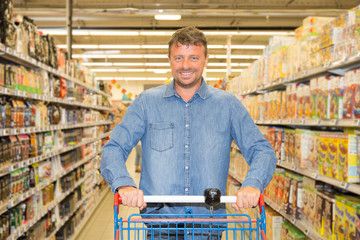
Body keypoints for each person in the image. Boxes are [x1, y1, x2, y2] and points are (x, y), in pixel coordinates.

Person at [100, 26, 277, 238]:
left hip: (207, 227)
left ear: (206, 59)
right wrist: (124, 184)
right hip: (160, 227)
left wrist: (252, 185)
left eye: (193, 58)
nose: (185, 65)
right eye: (178, 58)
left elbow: (262, 149)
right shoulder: (146, 103)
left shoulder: (228, 105)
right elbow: (114, 147)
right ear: (169, 60)